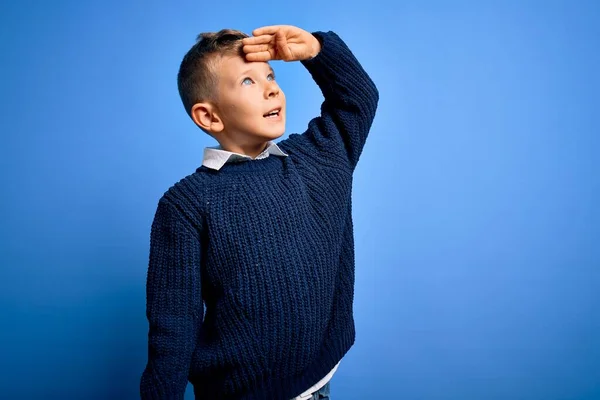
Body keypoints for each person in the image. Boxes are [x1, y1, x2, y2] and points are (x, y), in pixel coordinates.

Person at [140, 24, 379, 399]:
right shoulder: (186, 204)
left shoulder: (318, 159)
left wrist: (318, 49)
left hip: (315, 386)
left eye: (270, 75)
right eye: (248, 82)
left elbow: (358, 100)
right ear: (210, 117)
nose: (272, 87)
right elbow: (174, 325)